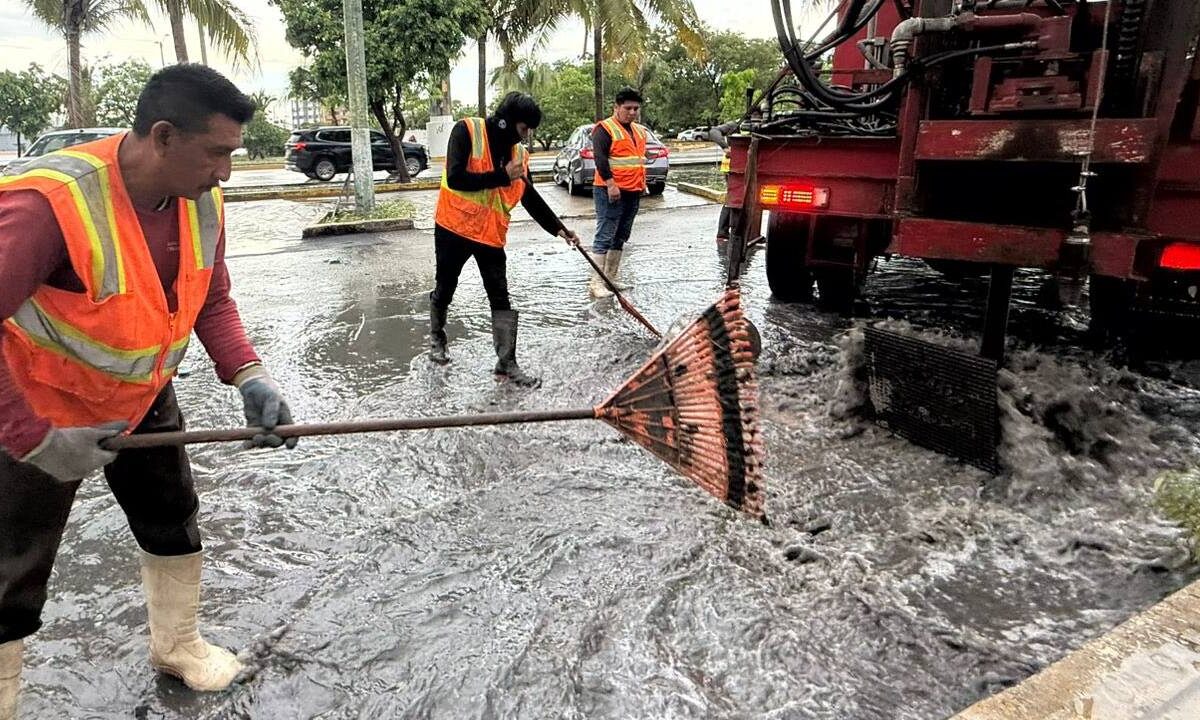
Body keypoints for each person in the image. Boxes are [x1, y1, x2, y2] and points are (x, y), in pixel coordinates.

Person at [0, 64, 297, 714]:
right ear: (162, 136)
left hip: (140, 394)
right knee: (9, 577)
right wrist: (33, 440)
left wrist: (248, 374)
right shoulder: (50, 205)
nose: (225, 171)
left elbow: (211, 298)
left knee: (172, 521)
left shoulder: (200, 200)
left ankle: (178, 647)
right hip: (36, 407)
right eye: (217, 152)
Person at [429, 92, 581, 388]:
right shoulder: (467, 131)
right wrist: (501, 175)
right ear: (506, 123)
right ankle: (437, 339)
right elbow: (456, 177)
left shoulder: (519, 156)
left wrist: (559, 228)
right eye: (524, 129)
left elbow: (529, 196)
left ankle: (506, 362)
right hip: (454, 228)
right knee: (445, 287)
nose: (526, 137)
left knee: (500, 295)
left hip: (490, 234)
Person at [586, 88, 649, 299]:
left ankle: (610, 279)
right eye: (628, 108)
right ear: (616, 107)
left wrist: (643, 184)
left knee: (621, 235)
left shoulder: (640, 131)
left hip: (633, 190)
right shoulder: (604, 129)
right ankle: (596, 283)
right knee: (605, 234)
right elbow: (601, 159)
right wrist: (611, 185)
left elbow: (638, 160)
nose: (632, 112)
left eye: (636, 108)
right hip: (609, 190)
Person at [708, 121, 740, 241]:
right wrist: (725, 147)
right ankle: (724, 231)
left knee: (734, 198)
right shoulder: (736, 125)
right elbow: (713, 132)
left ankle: (726, 231)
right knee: (733, 198)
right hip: (731, 168)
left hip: (740, 167)